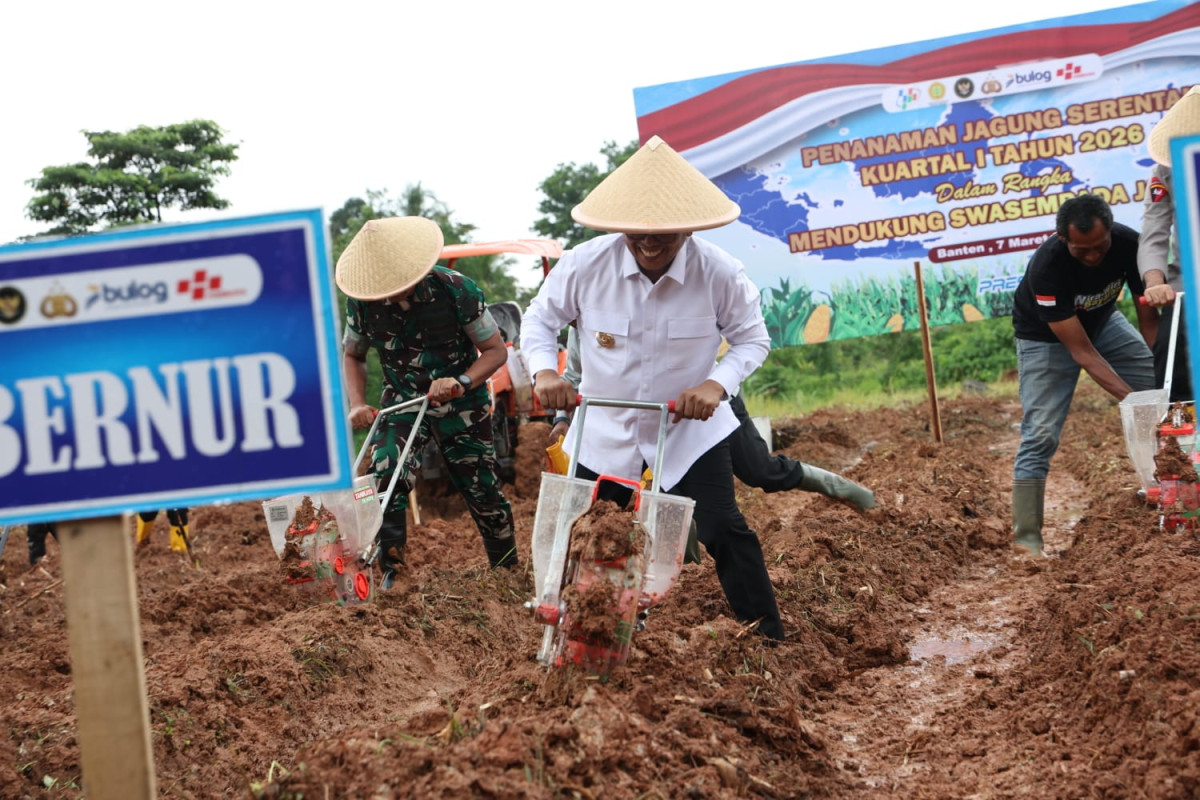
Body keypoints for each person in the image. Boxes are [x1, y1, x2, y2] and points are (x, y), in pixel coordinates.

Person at [521, 135, 785, 641]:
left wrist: (716, 384)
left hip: (685, 432)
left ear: (688, 227)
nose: (648, 243)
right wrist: (545, 373)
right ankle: (577, 637)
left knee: (722, 529)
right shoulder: (583, 265)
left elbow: (753, 340)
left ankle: (768, 636)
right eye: (636, 233)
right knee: (585, 537)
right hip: (604, 427)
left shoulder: (720, 274)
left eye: (663, 234)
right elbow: (537, 322)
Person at [337, 216, 517, 589]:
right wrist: (357, 403)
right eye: (380, 290)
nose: (387, 297)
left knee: (481, 487)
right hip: (402, 400)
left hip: (461, 403)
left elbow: (495, 351)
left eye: (395, 287)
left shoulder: (456, 290)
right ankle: (393, 572)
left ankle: (507, 571)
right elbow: (353, 354)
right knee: (384, 475)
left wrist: (462, 380)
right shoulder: (363, 304)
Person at [550, 326, 876, 511]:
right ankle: (680, 566)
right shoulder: (582, 324)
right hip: (637, 421)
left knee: (760, 471)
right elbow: (575, 376)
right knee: (658, 492)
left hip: (708, 406)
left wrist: (714, 390)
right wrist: (562, 419)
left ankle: (839, 487)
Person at [1011, 194, 1157, 556]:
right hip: (1046, 338)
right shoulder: (1047, 267)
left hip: (1104, 322)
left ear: (1109, 230)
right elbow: (1081, 353)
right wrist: (1133, 399)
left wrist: (1158, 370)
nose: (1093, 256)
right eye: (1082, 250)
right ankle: (1027, 541)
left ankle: (1169, 492)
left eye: (1100, 246)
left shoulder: (1128, 244)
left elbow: (1148, 316)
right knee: (1041, 433)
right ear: (1064, 239)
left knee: (1163, 395)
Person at [1139, 85, 1200, 403]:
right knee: (1171, 360)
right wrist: (1155, 281)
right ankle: (1181, 446)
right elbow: (1154, 230)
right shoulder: (1163, 172)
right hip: (1187, 285)